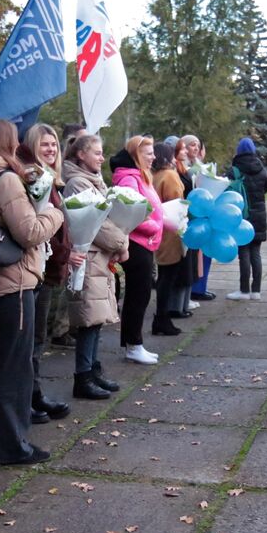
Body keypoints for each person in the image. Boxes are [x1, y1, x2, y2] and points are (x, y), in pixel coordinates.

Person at [0, 118, 64, 465]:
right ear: (4, 142)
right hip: (12, 284)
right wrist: (55, 214)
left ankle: (12, 439)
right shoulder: (5, 180)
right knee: (13, 368)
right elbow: (31, 231)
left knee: (8, 365)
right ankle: (11, 445)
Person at [61, 132, 129, 399]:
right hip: (88, 258)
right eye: (97, 153)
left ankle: (93, 369)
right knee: (89, 317)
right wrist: (121, 242)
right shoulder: (78, 184)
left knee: (97, 316)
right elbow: (97, 223)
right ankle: (83, 375)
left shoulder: (93, 180)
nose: (102, 158)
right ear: (81, 155)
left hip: (99, 258)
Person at [19, 123, 78, 423]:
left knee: (38, 336)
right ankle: (27, 397)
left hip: (50, 267)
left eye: (54, 144)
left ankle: (34, 393)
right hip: (36, 267)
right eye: (45, 144)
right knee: (33, 338)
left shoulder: (52, 180)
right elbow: (40, 225)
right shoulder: (34, 179)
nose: (51, 149)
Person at [110, 135, 164, 363]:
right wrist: (154, 226)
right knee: (137, 296)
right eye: (148, 153)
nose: (153, 157)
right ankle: (133, 345)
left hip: (144, 243)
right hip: (137, 244)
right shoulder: (129, 179)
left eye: (153, 153)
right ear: (135, 155)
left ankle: (135, 343)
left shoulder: (140, 176)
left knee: (141, 295)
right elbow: (129, 211)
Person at [227, 137, 267, 300]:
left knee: (243, 253)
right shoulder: (262, 169)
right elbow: (265, 188)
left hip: (241, 216)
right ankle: (256, 291)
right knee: (256, 254)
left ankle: (244, 290)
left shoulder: (235, 170)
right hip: (259, 216)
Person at [151, 141, 187, 336]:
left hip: (159, 231)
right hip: (171, 232)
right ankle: (162, 318)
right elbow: (177, 203)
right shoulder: (170, 176)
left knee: (164, 275)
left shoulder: (154, 176)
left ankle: (161, 317)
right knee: (168, 277)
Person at [183, 135, 217, 302]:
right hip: (190, 216)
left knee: (202, 255)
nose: (195, 148)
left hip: (202, 215)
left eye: (197, 145)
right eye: (192, 145)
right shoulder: (183, 168)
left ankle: (200, 287)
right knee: (192, 257)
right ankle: (194, 291)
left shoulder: (198, 167)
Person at [169, 140, 199, 318]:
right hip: (177, 221)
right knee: (180, 267)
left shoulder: (182, 169)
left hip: (186, 220)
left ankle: (183, 304)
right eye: (182, 149)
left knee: (188, 265)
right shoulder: (173, 173)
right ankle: (175, 307)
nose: (186, 151)